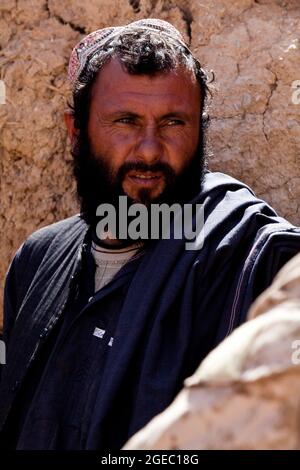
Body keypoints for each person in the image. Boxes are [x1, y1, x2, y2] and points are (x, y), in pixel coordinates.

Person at [0, 18, 299, 450]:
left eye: (174, 123)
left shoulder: (243, 251)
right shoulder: (38, 260)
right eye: (125, 121)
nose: (149, 149)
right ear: (76, 133)